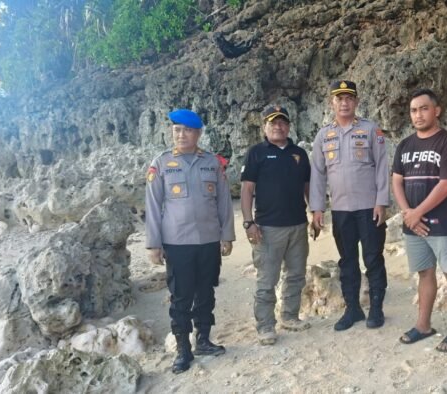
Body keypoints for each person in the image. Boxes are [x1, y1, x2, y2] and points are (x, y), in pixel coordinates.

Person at [145, 109, 235, 374]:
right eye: (177, 130)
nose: (181, 135)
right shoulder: (161, 163)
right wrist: (153, 243)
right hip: (177, 242)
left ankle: (204, 340)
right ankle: (183, 349)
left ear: (198, 133)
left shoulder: (212, 162)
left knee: (206, 292)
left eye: (187, 130)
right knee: (181, 297)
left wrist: (227, 236)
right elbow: (152, 205)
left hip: (208, 240)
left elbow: (223, 202)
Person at [392, 89, 447, 352]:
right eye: (414, 110)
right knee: (425, 273)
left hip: (443, 221)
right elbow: (396, 181)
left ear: (437, 110)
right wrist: (407, 213)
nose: (418, 114)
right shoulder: (404, 145)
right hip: (413, 225)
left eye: (424, 108)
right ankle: (423, 325)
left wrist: (417, 212)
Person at [310, 80, 390, 331]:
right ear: (332, 103)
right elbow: (317, 174)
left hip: (369, 208)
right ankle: (352, 308)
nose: (344, 103)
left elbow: (382, 167)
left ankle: (376, 307)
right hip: (341, 210)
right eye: (339, 98)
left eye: (348, 98)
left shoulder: (369, 129)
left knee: (373, 258)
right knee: (347, 260)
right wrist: (317, 208)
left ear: (356, 102)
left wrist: (382, 202)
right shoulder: (324, 135)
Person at [241, 105, 312, 346]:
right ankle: (265, 326)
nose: (278, 126)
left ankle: (290, 316)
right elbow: (247, 189)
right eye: (272, 123)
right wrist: (248, 222)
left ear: (289, 126)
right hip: (267, 228)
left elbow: (307, 186)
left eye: (282, 122)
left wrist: (315, 212)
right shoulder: (256, 153)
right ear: (264, 127)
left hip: (298, 225)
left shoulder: (299, 154)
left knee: (296, 275)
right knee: (267, 279)